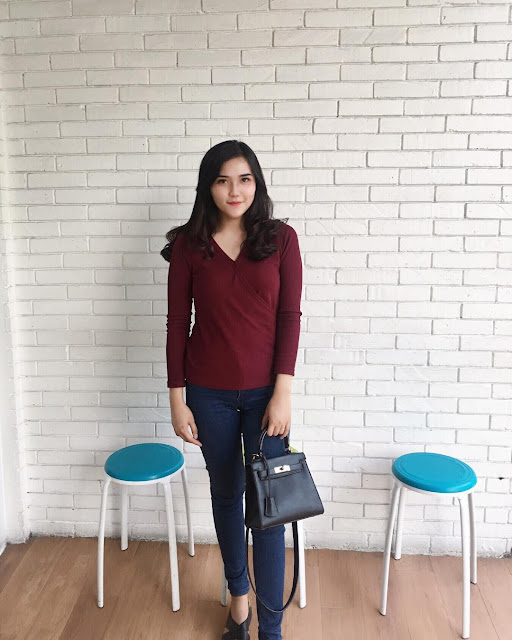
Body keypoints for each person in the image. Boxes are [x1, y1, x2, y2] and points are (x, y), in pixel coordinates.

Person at [162, 139, 302, 640]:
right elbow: (177, 324)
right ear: (209, 187)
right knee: (227, 495)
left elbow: (290, 318)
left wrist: (283, 394)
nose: (234, 190)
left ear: (256, 183)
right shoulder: (189, 246)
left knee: (268, 512)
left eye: (244, 179)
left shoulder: (281, 240)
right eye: (222, 180)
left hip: (266, 397)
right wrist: (177, 401)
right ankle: (238, 601)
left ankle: (271, 629)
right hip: (209, 396)